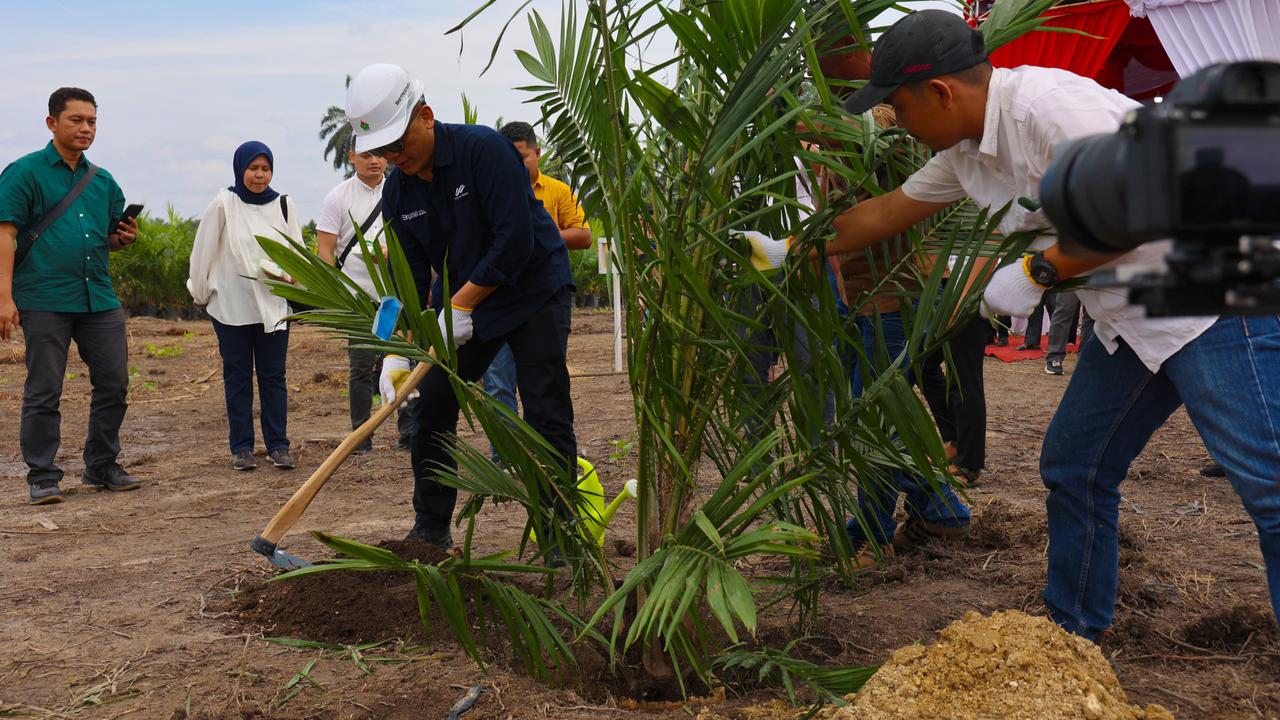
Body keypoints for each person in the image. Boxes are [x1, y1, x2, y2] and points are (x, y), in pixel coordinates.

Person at [815, 9, 1279, 637]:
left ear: (940, 92)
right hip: (1130, 317)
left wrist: (1040, 271)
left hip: (1212, 299)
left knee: (1270, 492)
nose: (897, 125)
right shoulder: (963, 153)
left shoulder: (1051, 109)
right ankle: (1073, 634)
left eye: (898, 107)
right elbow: (884, 213)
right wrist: (793, 248)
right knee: (1075, 465)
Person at [345, 64, 578, 553]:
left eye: (397, 144)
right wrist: (395, 350)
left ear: (425, 116)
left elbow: (514, 242)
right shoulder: (397, 190)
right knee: (433, 405)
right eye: (381, 150)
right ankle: (430, 530)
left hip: (532, 289)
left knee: (545, 406)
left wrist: (459, 306)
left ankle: (559, 535)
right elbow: (407, 277)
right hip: (464, 306)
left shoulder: (484, 151)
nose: (391, 157)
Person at [0, 87, 142, 505]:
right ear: (52, 123)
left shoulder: (102, 181)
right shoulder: (23, 173)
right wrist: (4, 298)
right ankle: (43, 475)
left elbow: (111, 239)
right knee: (45, 389)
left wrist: (123, 238)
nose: (85, 128)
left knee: (114, 383)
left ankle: (101, 466)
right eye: (76, 120)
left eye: (92, 121)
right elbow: (5, 235)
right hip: (43, 297)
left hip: (98, 297)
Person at [481, 121, 591, 462]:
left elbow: (583, 235)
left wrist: (534, 234)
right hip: (500, 296)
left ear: (537, 153)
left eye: (523, 156)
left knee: (544, 382)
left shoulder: (558, 191)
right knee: (498, 381)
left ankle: (546, 455)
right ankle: (508, 457)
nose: (516, 165)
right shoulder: (489, 194)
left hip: (547, 298)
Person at [187, 141, 299, 472]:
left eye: (265, 169)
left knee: (273, 376)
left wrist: (290, 276)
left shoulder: (283, 205)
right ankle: (242, 447)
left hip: (274, 306)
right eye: (253, 168)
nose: (259, 175)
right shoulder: (224, 204)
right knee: (237, 376)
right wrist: (201, 292)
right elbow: (203, 251)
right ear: (240, 169)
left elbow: (296, 252)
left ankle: (278, 445)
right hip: (232, 307)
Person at [316, 139, 417, 453]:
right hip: (357, 299)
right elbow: (326, 250)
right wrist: (332, 294)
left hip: (393, 298)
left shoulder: (402, 189)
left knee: (400, 361)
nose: (374, 161)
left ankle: (409, 432)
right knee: (360, 368)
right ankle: (361, 436)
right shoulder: (338, 197)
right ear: (352, 158)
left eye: (379, 154)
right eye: (366, 155)